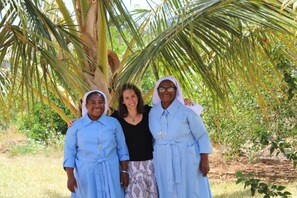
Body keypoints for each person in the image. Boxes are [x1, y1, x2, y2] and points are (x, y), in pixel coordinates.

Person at [149, 76, 212, 198]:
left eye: (170, 88)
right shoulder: (153, 112)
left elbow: (202, 135)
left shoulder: (187, 111)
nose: (166, 91)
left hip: (187, 157)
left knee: (191, 189)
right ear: (157, 91)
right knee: (167, 190)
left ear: (176, 90)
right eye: (162, 89)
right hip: (162, 159)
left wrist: (205, 160)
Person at [63, 90, 129, 198]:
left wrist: (124, 171)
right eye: (93, 102)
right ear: (86, 105)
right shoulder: (76, 126)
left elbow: (122, 149)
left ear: (105, 104)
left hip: (111, 172)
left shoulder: (113, 123)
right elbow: (69, 153)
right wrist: (70, 177)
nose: (97, 105)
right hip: (86, 173)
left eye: (100, 102)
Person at [111, 84, 158, 198]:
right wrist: (75, 123)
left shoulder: (149, 112)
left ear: (138, 97)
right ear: (122, 101)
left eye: (133, 96)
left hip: (151, 165)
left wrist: (184, 103)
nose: (131, 100)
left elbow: (167, 110)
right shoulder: (116, 118)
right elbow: (98, 123)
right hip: (130, 167)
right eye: (126, 98)